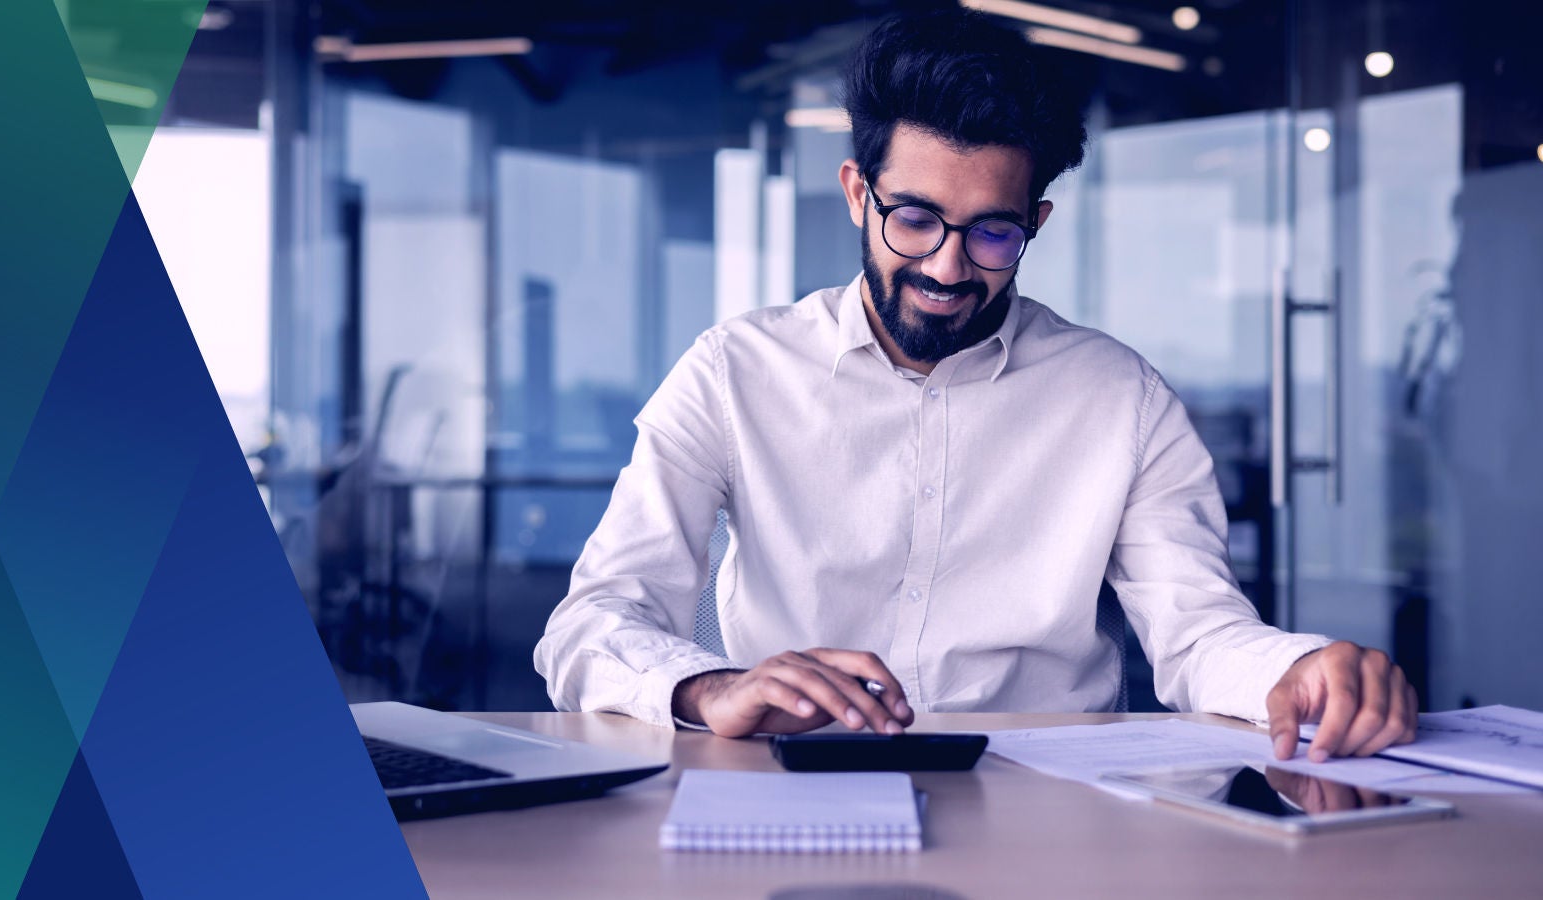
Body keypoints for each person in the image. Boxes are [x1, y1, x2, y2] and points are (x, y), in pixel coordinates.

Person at [534, 9, 1417, 763]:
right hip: (793, 788)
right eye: (914, 219)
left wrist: (1295, 669)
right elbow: (591, 623)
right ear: (857, 193)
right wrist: (709, 686)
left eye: (993, 233)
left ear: (1036, 222)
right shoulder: (734, 372)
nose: (947, 267)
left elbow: (1198, 635)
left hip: (1050, 803)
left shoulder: (1121, 398)